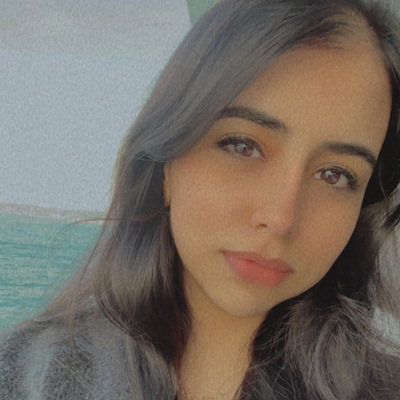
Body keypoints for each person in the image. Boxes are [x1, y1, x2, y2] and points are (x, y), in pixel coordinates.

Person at [1, 0, 400, 399]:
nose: (280, 218)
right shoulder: (25, 376)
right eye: (242, 146)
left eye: (335, 175)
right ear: (166, 165)